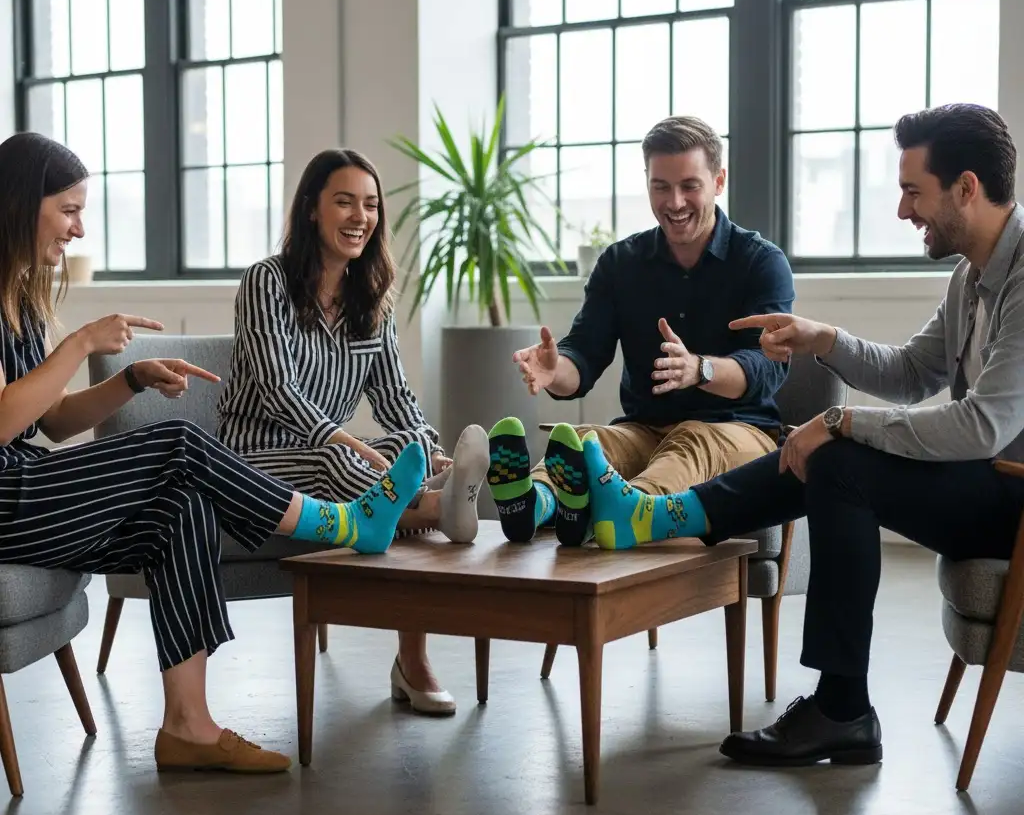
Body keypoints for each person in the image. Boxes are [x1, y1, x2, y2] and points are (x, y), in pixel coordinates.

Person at [580, 103, 1024, 768]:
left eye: (913, 191)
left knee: (841, 460)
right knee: (838, 461)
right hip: (988, 484)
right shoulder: (972, 277)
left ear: (965, 187)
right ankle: (659, 517)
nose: (903, 211)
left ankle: (840, 708)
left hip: (1011, 495)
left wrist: (842, 420)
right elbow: (912, 373)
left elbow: (984, 425)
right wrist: (825, 340)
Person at [0, 132, 430, 775]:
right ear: (19, 203)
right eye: (68, 210)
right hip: (8, 497)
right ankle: (341, 522)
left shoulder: (23, 302)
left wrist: (129, 380)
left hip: (30, 485)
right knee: (177, 442)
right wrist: (82, 342)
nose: (79, 228)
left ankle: (187, 727)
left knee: (182, 505)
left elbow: (53, 424)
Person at [217, 148, 488, 716]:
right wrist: (351, 444)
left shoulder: (373, 298)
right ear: (312, 209)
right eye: (344, 201)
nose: (359, 216)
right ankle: (440, 514)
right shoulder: (266, 281)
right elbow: (276, 391)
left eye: (369, 205)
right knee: (349, 464)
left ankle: (429, 500)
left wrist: (427, 450)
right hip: (255, 456)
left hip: (335, 457)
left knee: (397, 454)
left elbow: (394, 396)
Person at [486, 115, 795, 548]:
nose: (675, 202)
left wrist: (700, 370)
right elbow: (586, 354)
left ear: (719, 180)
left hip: (739, 431)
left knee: (691, 441)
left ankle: (627, 509)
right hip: (644, 429)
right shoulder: (620, 264)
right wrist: (556, 371)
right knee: (587, 441)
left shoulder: (762, 262)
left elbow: (768, 367)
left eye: (690, 185)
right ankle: (534, 504)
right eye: (661, 187)